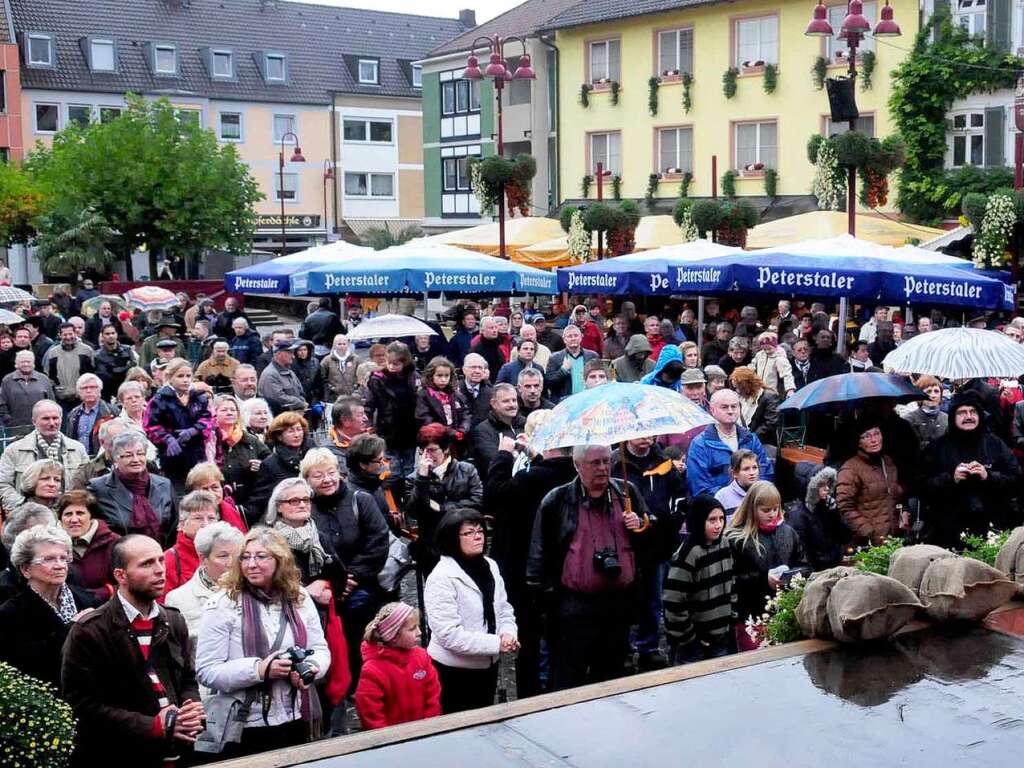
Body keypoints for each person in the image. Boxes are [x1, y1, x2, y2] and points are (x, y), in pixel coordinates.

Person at [62, 534, 204, 767]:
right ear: (121, 575)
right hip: (120, 756)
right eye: (147, 564)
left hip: (178, 753)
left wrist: (190, 709)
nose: (160, 570)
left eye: (160, 560)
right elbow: (82, 705)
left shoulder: (174, 619)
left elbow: (188, 679)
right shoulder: (89, 631)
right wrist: (153, 726)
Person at [195, 527, 329, 755]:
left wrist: (311, 668)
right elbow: (207, 671)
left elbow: (319, 648)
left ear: (280, 560)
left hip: (296, 713)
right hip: (246, 723)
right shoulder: (223, 604)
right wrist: (259, 669)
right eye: (245, 557)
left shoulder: (299, 597)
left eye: (261, 557)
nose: (251, 564)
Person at [528, 444, 649, 691]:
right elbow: (538, 555)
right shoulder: (557, 500)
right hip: (574, 607)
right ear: (577, 465)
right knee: (569, 679)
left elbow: (652, 536)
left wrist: (640, 524)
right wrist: (544, 604)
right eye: (595, 463)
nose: (603, 468)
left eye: (606, 461)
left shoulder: (626, 492)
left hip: (618, 604)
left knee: (613, 678)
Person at [304, 449, 389, 687]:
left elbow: (378, 540)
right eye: (318, 475)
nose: (327, 479)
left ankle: (366, 684)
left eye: (331, 472)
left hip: (362, 586)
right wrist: (334, 581)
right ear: (307, 480)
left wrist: (351, 577)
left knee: (362, 639)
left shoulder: (360, 500)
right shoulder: (306, 508)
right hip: (326, 590)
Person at [424, 508, 517, 713]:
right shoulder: (441, 578)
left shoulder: (490, 565)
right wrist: (496, 643)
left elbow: (503, 608)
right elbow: (449, 634)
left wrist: (509, 632)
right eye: (469, 533)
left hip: (487, 666)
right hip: (453, 671)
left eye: (481, 531)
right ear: (451, 538)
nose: (478, 537)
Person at [611, 436, 686, 671]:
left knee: (653, 598)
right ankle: (623, 647)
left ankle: (648, 646)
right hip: (626, 543)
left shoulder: (663, 463)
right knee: (625, 598)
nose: (645, 438)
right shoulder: (616, 463)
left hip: (658, 542)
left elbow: (679, 498)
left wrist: (670, 522)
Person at [0, 523, 100, 689]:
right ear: (25, 569)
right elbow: (23, 664)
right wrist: (72, 629)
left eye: (63, 558)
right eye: (48, 559)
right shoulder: (11, 613)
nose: (60, 565)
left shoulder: (88, 601)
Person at [921, 391, 1022, 548]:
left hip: (992, 526)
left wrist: (988, 476)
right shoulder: (938, 448)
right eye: (962, 412)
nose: (968, 416)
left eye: (973, 411)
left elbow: (1016, 479)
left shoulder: (995, 444)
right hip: (948, 530)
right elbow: (922, 485)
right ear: (953, 417)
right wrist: (951, 478)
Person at [726, 481, 806, 651]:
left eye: (775, 509)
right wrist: (763, 579)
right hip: (750, 617)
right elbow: (730, 580)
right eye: (766, 510)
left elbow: (805, 566)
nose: (772, 514)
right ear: (752, 508)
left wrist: (793, 575)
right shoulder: (737, 538)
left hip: (784, 613)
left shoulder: (788, 532)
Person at [663, 495, 737, 664]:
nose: (718, 525)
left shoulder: (724, 544)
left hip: (720, 636)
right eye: (712, 520)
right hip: (693, 644)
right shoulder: (689, 553)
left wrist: (731, 617)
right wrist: (690, 638)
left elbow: (730, 583)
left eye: (721, 519)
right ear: (699, 520)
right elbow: (674, 602)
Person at [407, 423, 484, 572]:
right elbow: (413, 511)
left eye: (432, 450)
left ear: (446, 448)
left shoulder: (466, 470)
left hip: (465, 540)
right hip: (432, 545)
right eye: (422, 451)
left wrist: (443, 508)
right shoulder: (413, 479)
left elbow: (477, 502)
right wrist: (422, 479)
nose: (427, 456)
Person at [355, 601, 441, 730]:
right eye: (412, 629)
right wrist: (389, 739)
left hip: (425, 732)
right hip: (392, 741)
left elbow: (433, 696)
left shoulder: (422, 657)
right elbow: (371, 713)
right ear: (393, 636)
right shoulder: (372, 670)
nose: (419, 632)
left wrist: (429, 727)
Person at [0, 399, 89, 511]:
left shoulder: (78, 449)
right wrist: (23, 507)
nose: (52, 423)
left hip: (67, 515)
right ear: (34, 421)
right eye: (46, 418)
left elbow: (87, 484)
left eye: (55, 418)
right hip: (27, 516)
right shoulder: (13, 450)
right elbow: (3, 485)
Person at [165, 521, 244, 642]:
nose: (232, 563)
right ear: (203, 559)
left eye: (238, 556)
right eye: (223, 556)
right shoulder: (177, 599)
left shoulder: (254, 590)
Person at [687, 389, 774, 498]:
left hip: (752, 502)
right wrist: (731, 498)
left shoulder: (751, 439)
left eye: (734, 406)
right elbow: (699, 485)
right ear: (712, 410)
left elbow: (765, 471)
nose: (730, 411)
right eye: (724, 407)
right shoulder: (700, 444)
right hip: (718, 506)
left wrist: (753, 498)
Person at [144, 358, 214, 489]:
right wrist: (168, 439)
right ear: (170, 377)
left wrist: (194, 430)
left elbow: (209, 419)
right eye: (180, 376)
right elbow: (150, 426)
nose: (185, 379)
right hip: (171, 457)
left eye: (188, 376)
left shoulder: (199, 397)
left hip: (197, 454)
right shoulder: (159, 400)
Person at [836, 421, 903, 546]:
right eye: (866, 436)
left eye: (877, 433)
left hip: (892, 537)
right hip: (868, 542)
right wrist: (869, 532)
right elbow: (845, 506)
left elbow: (894, 494)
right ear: (858, 441)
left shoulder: (888, 462)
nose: (874, 440)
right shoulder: (850, 469)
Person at [364, 341, 420, 478]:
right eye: (389, 363)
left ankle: (407, 496)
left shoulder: (414, 376)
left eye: (396, 364)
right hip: (387, 430)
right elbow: (369, 405)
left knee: (409, 468)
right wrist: (368, 426)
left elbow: (420, 402)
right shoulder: (377, 379)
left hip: (409, 430)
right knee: (391, 470)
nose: (391, 367)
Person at [248, 412, 311, 523]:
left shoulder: (313, 456)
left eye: (299, 429)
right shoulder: (270, 464)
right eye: (290, 431)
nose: (297, 435)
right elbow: (261, 499)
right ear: (279, 436)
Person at [59, 489, 120, 600]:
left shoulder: (114, 543)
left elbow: (129, 582)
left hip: (107, 607)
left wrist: (103, 593)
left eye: (80, 513)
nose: (74, 519)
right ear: (60, 519)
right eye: (68, 514)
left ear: (91, 517)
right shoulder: (50, 545)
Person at [785, 466, 849, 571]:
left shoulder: (828, 507)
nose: (827, 488)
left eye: (828, 484)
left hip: (834, 566)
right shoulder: (798, 516)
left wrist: (835, 513)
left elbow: (845, 537)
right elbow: (801, 554)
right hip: (816, 572)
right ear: (811, 487)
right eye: (821, 485)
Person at [213, 393, 270, 510]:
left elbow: (270, 460)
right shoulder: (209, 440)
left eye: (233, 410)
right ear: (214, 413)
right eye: (224, 410)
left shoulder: (249, 439)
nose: (229, 413)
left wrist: (262, 465)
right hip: (219, 502)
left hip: (251, 502)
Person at [161, 490, 222, 596]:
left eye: (211, 518)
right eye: (198, 518)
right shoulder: (169, 559)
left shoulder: (227, 554)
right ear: (182, 524)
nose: (206, 524)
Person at [468, 383, 526, 479]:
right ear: (494, 404)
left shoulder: (525, 423)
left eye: (514, 400)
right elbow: (493, 462)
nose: (512, 405)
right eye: (506, 401)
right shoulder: (482, 431)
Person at [45, 322, 95, 413]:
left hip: (82, 397)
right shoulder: (53, 353)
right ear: (60, 335)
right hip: (61, 398)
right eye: (65, 334)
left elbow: (93, 374)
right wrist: (56, 390)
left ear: (75, 333)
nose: (68, 337)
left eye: (70, 334)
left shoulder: (87, 351)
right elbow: (48, 375)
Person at [62, 373, 115, 455]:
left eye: (92, 387)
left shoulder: (112, 412)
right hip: (78, 459)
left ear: (99, 390)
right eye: (84, 388)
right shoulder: (72, 414)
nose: (88, 391)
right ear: (79, 392)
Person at [416, 356, 471, 434]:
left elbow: (466, 414)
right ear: (431, 376)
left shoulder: (455, 394)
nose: (443, 379)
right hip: (435, 438)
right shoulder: (424, 395)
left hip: (456, 438)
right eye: (439, 375)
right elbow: (424, 418)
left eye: (446, 376)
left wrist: (463, 429)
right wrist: (447, 431)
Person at [0, 349, 55, 427]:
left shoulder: (44, 379)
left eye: (28, 362)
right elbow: (2, 404)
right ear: (16, 364)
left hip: (41, 425)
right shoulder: (7, 380)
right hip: (15, 426)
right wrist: (8, 420)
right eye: (22, 362)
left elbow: (51, 402)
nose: (26, 364)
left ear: (33, 363)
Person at [545, 324, 597, 402]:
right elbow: (548, 383)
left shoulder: (592, 356)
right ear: (564, 339)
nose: (573, 338)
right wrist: (563, 370)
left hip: (588, 401)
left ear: (581, 337)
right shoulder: (555, 358)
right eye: (569, 336)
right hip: (564, 403)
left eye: (576, 335)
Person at [730, 367, 780, 448]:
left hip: (763, 443)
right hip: (743, 441)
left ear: (746, 386)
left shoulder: (769, 396)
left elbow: (771, 422)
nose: (737, 391)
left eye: (738, 388)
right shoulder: (740, 397)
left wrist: (751, 437)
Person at [258, 340, 309, 414]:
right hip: (280, 419)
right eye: (290, 353)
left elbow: (300, 392)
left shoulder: (289, 371)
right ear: (279, 354)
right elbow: (278, 399)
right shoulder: (270, 374)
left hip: (293, 416)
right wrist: (300, 403)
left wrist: (303, 403)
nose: (293, 356)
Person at [714, 449, 760, 520]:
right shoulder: (722, 497)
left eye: (755, 468)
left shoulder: (764, 492)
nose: (752, 473)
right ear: (734, 473)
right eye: (746, 469)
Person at [94, 323, 137, 400]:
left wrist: (115, 370)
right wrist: (126, 367)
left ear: (116, 334)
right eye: (107, 334)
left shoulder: (127, 349)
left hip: (128, 389)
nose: (111, 336)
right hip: (109, 393)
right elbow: (105, 376)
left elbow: (134, 367)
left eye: (113, 333)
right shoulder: (98, 355)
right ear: (102, 336)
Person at [747, 332, 795, 397]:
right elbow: (751, 367)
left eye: (769, 348)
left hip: (772, 393)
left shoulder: (779, 358)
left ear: (775, 346)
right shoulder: (759, 355)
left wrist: (790, 390)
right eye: (764, 349)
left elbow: (787, 374)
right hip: (758, 391)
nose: (767, 351)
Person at [320, 334, 359, 402]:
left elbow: (361, 376)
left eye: (344, 344)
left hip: (352, 395)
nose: (342, 346)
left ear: (348, 344)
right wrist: (330, 390)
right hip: (334, 397)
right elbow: (322, 378)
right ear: (334, 345)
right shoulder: (327, 360)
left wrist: (356, 390)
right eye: (339, 344)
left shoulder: (356, 359)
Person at [458, 353, 493, 426]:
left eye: (480, 368)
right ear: (464, 370)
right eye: (473, 367)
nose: (477, 371)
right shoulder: (455, 391)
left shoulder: (491, 393)